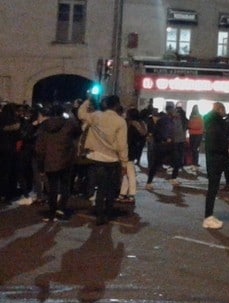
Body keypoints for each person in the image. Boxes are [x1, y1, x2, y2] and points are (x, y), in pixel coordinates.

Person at [77, 95, 129, 226]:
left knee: (100, 188)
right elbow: (122, 145)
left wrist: (87, 100)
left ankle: (99, 215)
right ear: (116, 105)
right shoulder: (120, 121)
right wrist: (124, 162)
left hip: (96, 158)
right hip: (112, 159)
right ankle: (108, 212)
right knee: (111, 189)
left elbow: (81, 114)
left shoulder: (96, 116)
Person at [35, 104, 81, 221]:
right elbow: (78, 131)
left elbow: (40, 147)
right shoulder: (69, 124)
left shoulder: (44, 126)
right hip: (66, 158)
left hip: (50, 159)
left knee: (52, 187)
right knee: (65, 185)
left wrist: (41, 164)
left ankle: (52, 210)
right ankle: (61, 208)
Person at [202, 102, 229, 229]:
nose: (225, 113)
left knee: (213, 188)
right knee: (212, 189)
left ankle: (209, 215)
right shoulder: (216, 123)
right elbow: (216, 143)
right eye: (224, 110)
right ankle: (208, 217)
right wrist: (227, 147)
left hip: (215, 159)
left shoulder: (213, 122)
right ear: (219, 109)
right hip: (215, 159)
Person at [118, 108, 147, 204]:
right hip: (135, 151)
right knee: (127, 172)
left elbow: (128, 141)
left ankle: (131, 194)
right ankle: (122, 193)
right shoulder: (141, 125)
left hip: (128, 152)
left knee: (130, 173)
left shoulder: (131, 126)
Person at [145, 104, 176, 190]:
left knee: (174, 161)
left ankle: (150, 182)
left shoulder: (167, 120)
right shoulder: (166, 120)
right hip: (162, 145)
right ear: (170, 111)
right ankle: (149, 182)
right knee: (156, 164)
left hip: (164, 145)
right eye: (173, 110)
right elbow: (161, 132)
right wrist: (166, 139)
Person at [187, 105, 204, 172]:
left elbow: (190, 125)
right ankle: (194, 162)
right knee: (195, 149)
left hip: (193, 134)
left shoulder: (191, 117)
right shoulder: (200, 117)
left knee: (193, 149)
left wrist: (191, 127)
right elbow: (201, 125)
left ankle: (194, 162)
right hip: (198, 134)